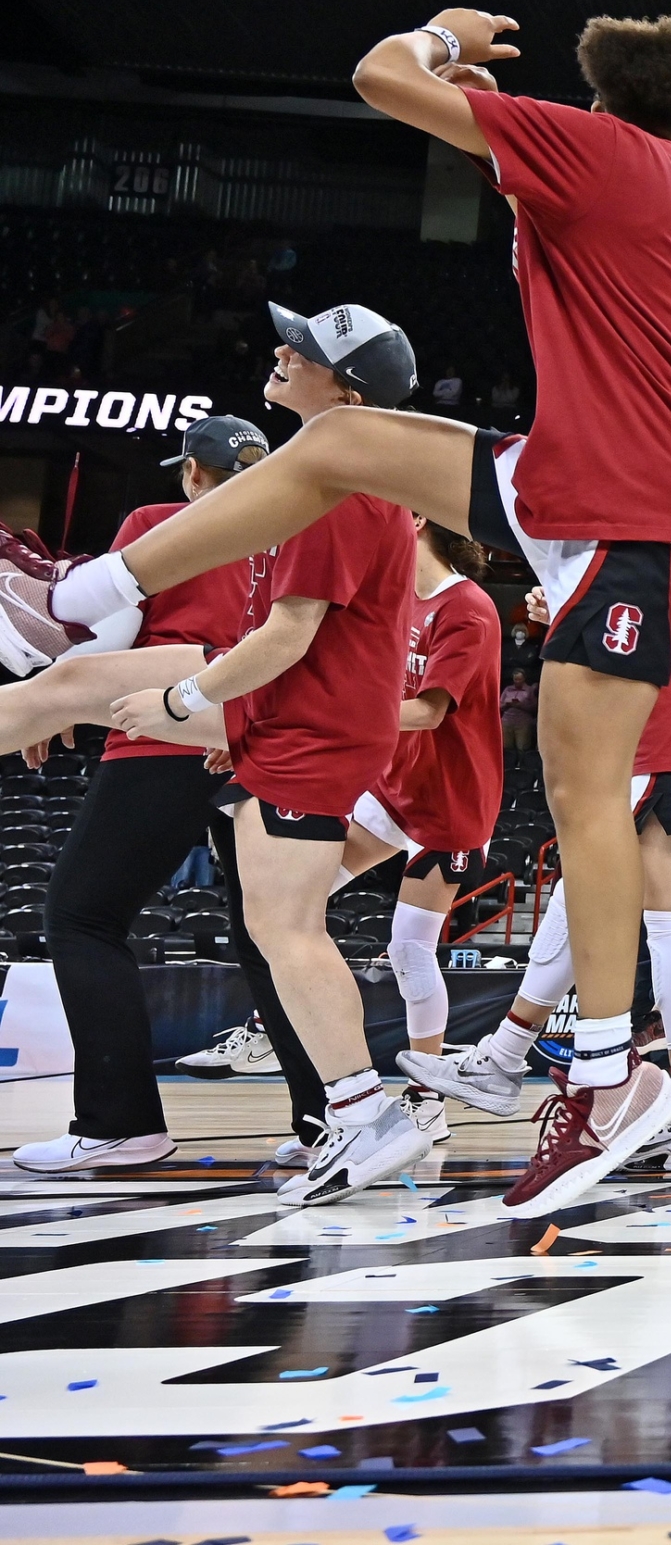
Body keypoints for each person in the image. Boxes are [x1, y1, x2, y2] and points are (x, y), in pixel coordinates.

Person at [0, 11, 671, 1212]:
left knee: (581, 791)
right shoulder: (655, 177)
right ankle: (79, 599)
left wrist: (439, 37)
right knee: (339, 439)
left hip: (636, 513)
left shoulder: (616, 155)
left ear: (622, 117)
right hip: (572, 478)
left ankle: (611, 1080)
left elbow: (379, 77)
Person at [104, 308, 426, 1207]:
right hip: (304, 726)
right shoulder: (343, 478)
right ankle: (356, 1115)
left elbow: (290, 634)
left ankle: (362, 1117)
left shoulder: (337, 485)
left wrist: (183, 702)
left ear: (347, 392)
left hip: (313, 732)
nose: (283, 354)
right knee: (279, 928)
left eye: (307, 353)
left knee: (288, 930)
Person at [407, 504, 671, 1172]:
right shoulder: (633, 519)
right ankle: (508, 1054)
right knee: (582, 894)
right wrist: (575, 611)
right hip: (636, 733)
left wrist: (595, 619)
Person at [6, 416, 299, 1173]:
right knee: (272, 937)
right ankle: (325, 1120)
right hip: (259, 730)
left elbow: (106, 636)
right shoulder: (293, 537)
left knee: (82, 916)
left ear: (194, 475)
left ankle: (120, 1121)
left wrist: (53, 698)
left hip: (164, 724)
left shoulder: (160, 525)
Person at [340, 516, 504, 1098]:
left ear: (412, 519)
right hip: (391, 786)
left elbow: (429, 711)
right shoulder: (395, 596)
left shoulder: (469, 608)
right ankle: (272, 1031)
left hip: (449, 802)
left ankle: (425, 1098)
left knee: (410, 950)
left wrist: (332, 719)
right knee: (291, 900)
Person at [500, 669, 537, 750]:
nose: (517, 681)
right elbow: (500, 705)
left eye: (519, 679)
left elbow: (534, 707)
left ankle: (521, 762)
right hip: (507, 721)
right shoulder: (507, 689)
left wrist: (521, 705)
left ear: (524, 678)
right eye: (515, 679)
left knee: (522, 747)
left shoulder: (529, 690)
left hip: (523, 722)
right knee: (506, 747)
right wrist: (507, 705)